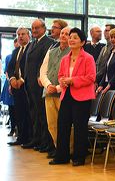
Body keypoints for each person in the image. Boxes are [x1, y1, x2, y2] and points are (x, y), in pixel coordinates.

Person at [50, 28, 96, 166]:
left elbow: (91, 77)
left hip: (82, 97)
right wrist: (63, 81)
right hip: (67, 94)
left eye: (75, 37)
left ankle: (79, 157)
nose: (71, 39)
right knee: (62, 125)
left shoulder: (88, 58)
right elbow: (60, 75)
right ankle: (62, 156)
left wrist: (73, 80)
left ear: (82, 42)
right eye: (70, 37)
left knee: (79, 127)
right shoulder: (65, 59)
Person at [25, 19, 56, 152]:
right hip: (29, 83)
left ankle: (46, 142)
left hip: (40, 83)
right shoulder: (32, 43)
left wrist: (40, 77)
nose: (34, 30)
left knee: (43, 114)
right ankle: (36, 138)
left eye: (37, 28)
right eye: (32, 28)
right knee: (34, 113)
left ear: (44, 28)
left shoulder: (49, 43)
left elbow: (46, 63)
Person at [40, 26, 71, 158]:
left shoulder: (73, 53)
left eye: (67, 34)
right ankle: (60, 149)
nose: (63, 35)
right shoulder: (51, 51)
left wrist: (58, 87)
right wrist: (48, 85)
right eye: (62, 33)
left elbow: (70, 74)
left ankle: (69, 150)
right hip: (48, 92)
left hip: (64, 93)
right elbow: (43, 71)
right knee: (52, 124)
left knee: (65, 124)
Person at [7, 28, 32, 146]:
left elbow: (32, 67)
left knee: (28, 113)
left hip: (27, 86)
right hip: (16, 87)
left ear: (29, 36)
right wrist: (12, 79)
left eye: (23, 34)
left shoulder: (31, 49)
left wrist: (21, 80)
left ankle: (29, 139)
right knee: (19, 113)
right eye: (18, 34)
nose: (20, 36)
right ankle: (20, 137)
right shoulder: (15, 51)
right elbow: (10, 67)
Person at [95, 28, 115, 95]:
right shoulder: (111, 51)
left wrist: (110, 84)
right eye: (111, 37)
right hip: (106, 83)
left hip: (114, 84)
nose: (112, 39)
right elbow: (106, 70)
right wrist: (101, 84)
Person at [1, 38, 18, 136]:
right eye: (15, 43)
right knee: (11, 107)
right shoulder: (8, 57)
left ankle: (19, 128)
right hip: (9, 82)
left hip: (19, 83)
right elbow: (7, 71)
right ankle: (12, 128)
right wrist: (10, 81)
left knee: (18, 107)